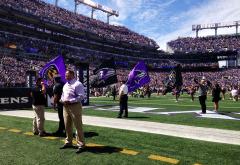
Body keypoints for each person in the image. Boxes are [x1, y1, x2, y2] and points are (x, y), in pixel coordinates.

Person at [59, 70, 86, 154]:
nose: (65, 76)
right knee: (67, 125)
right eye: (65, 75)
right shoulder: (65, 85)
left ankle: (81, 144)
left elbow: (81, 96)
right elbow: (63, 95)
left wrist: (70, 101)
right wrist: (62, 100)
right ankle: (68, 142)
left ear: (72, 75)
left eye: (67, 75)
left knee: (78, 126)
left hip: (75, 106)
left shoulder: (78, 84)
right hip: (65, 106)